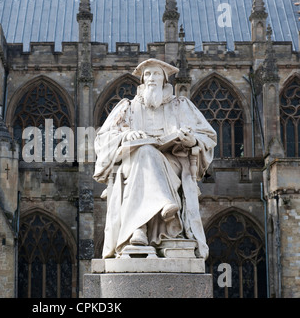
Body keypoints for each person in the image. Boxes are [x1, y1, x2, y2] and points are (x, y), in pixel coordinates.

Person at [93, 58, 217, 259]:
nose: (152, 78)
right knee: (145, 151)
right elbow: (102, 139)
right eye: (148, 74)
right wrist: (125, 136)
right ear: (142, 80)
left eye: (156, 74)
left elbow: (209, 136)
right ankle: (164, 204)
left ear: (164, 80)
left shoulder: (181, 106)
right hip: (131, 163)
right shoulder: (127, 107)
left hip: (173, 163)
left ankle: (139, 230)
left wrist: (192, 139)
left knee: (148, 153)